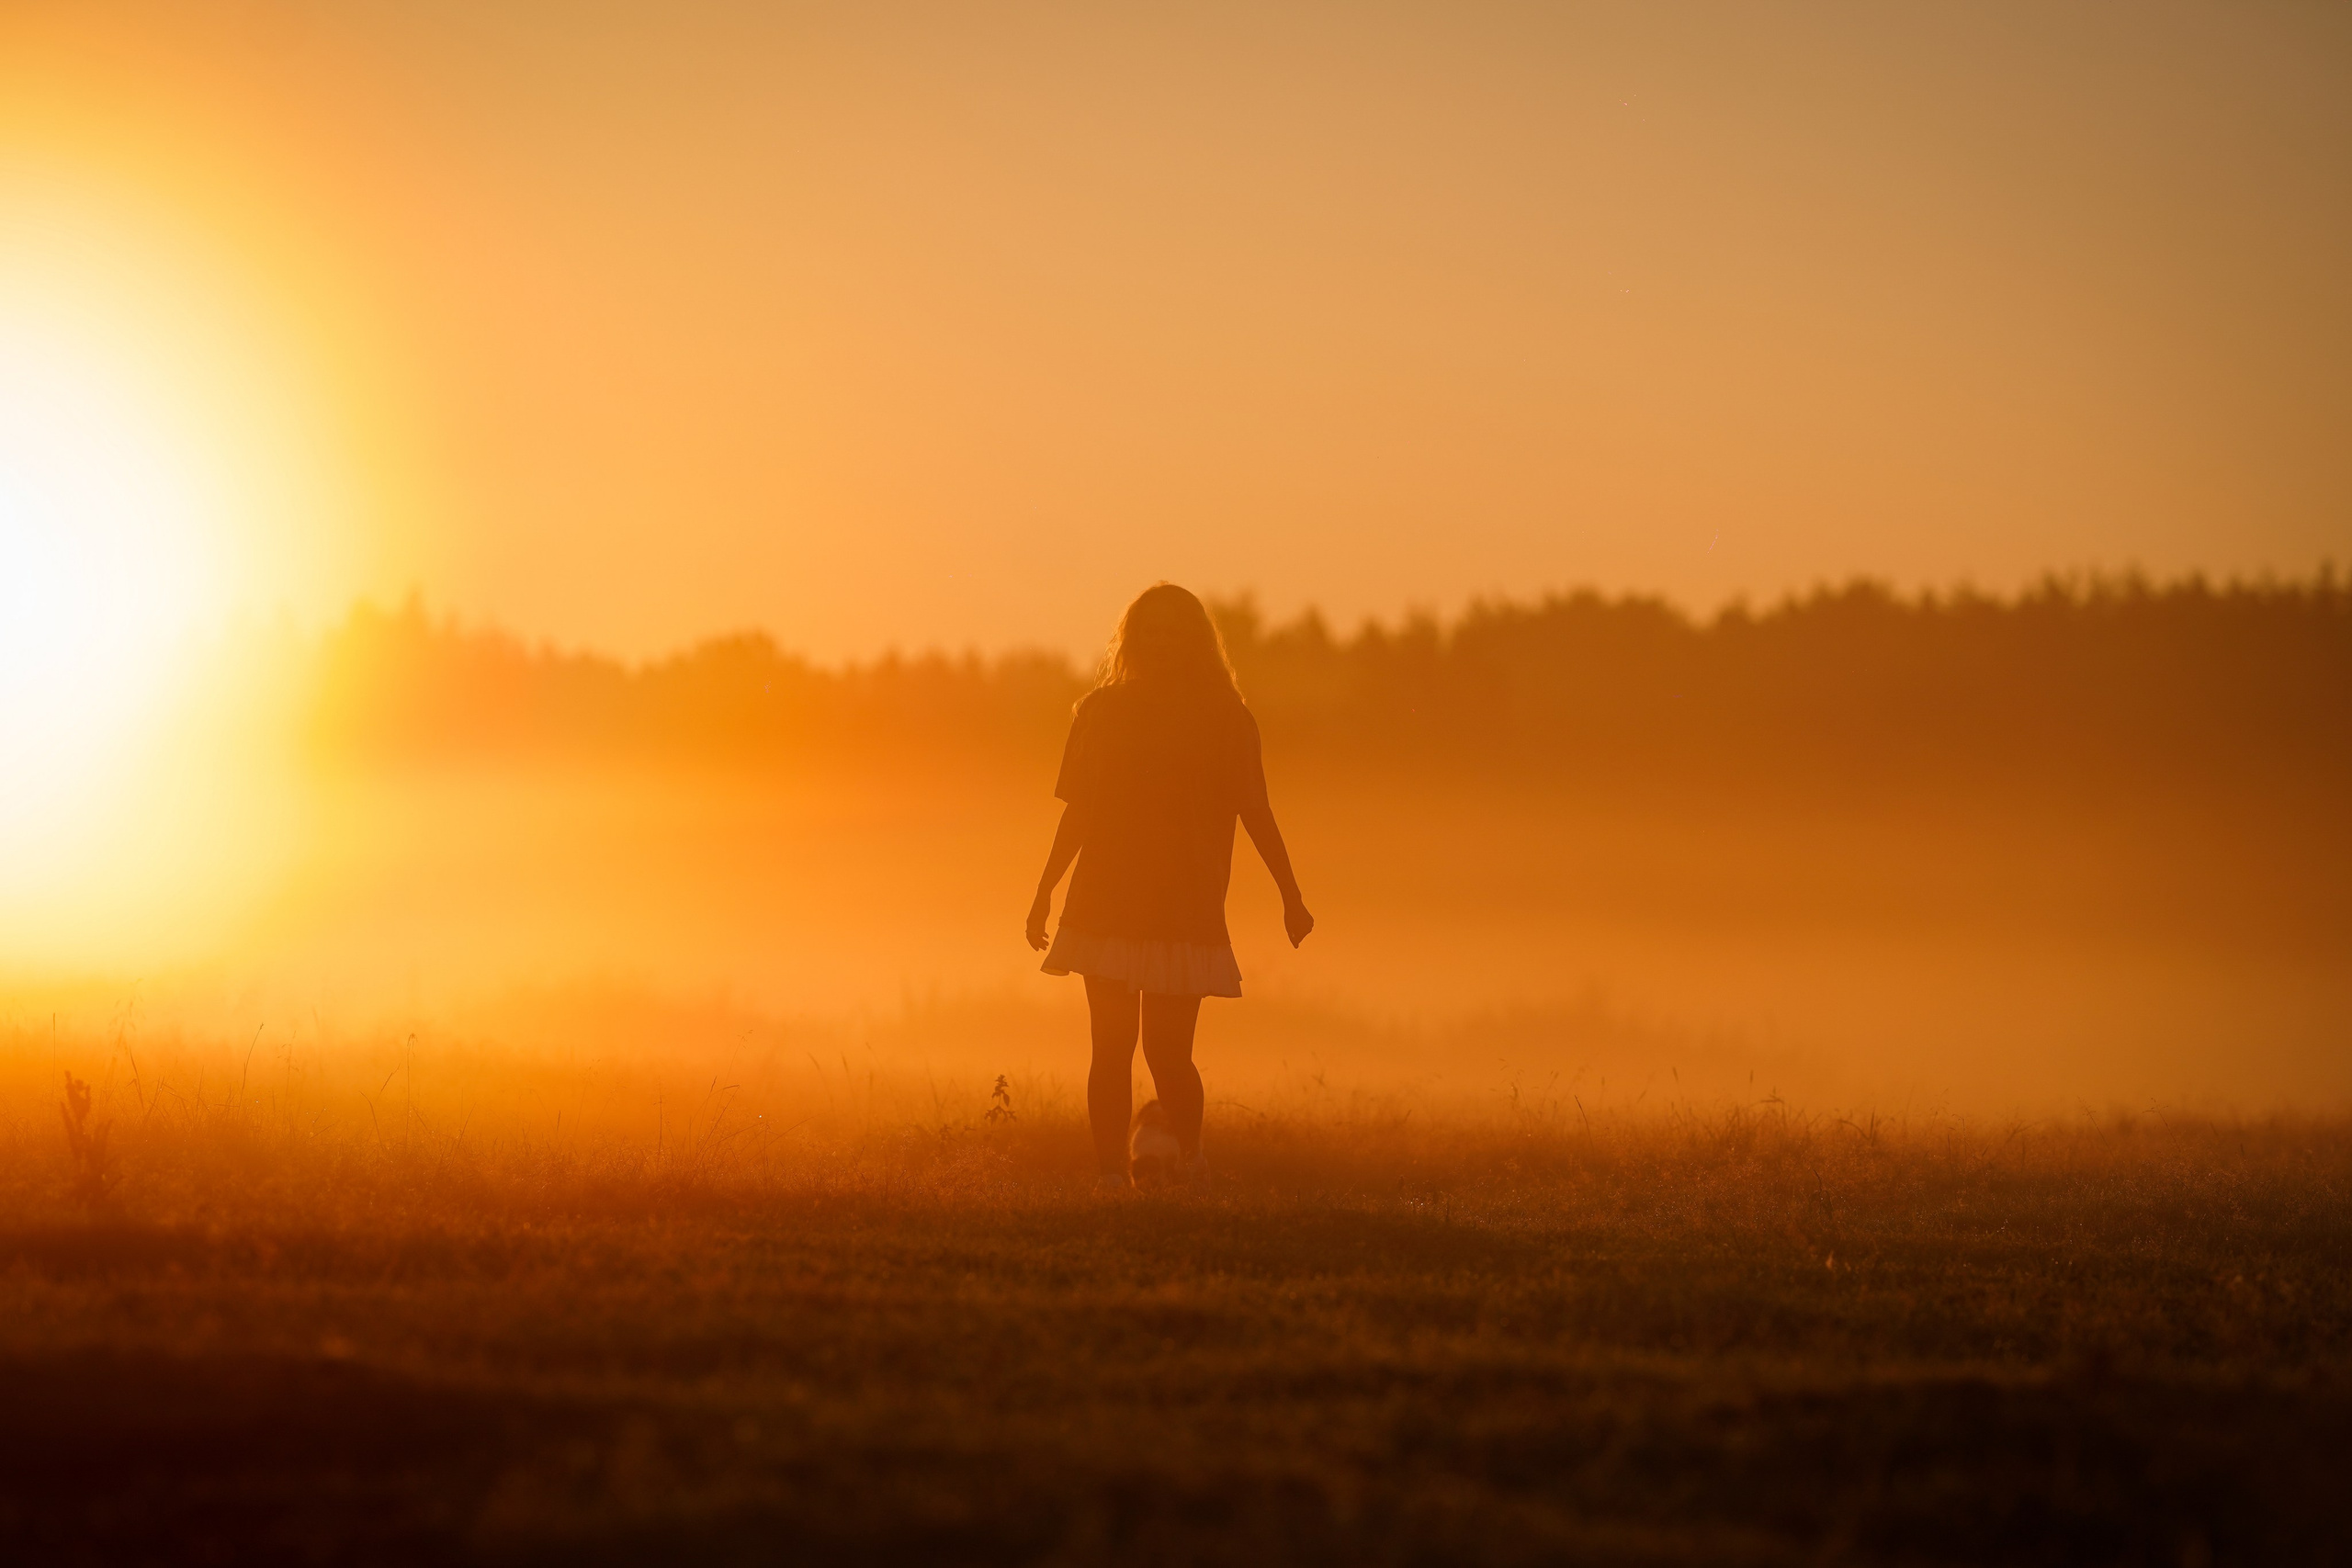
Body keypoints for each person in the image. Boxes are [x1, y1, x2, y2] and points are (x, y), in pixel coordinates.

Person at [1025, 582, 1315, 1190]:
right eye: (1148, 633)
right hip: (1104, 900)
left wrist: (1291, 894)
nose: (1160, 645)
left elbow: (1255, 810)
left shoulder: (1228, 720)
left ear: (1195, 644)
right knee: (1110, 1048)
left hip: (1184, 906)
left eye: (1173, 633)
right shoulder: (1099, 713)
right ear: (1131, 641)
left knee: (1167, 1051)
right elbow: (1077, 812)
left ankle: (1189, 1161)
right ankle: (1109, 1176)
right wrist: (1044, 889)